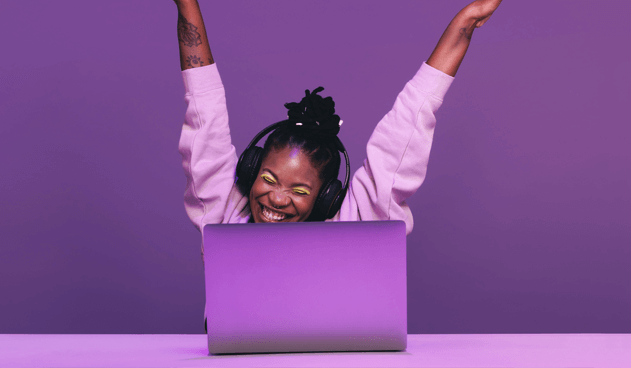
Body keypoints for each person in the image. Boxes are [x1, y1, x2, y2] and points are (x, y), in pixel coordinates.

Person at [174, 0, 502, 331]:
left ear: (327, 196)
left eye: (300, 190)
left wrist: (465, 21)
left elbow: (410, 121)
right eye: (269, 179)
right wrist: (187, 5)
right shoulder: (226, 213)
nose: (276, 198)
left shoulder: (354, 219)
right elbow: (204, 112)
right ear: (251, 170)